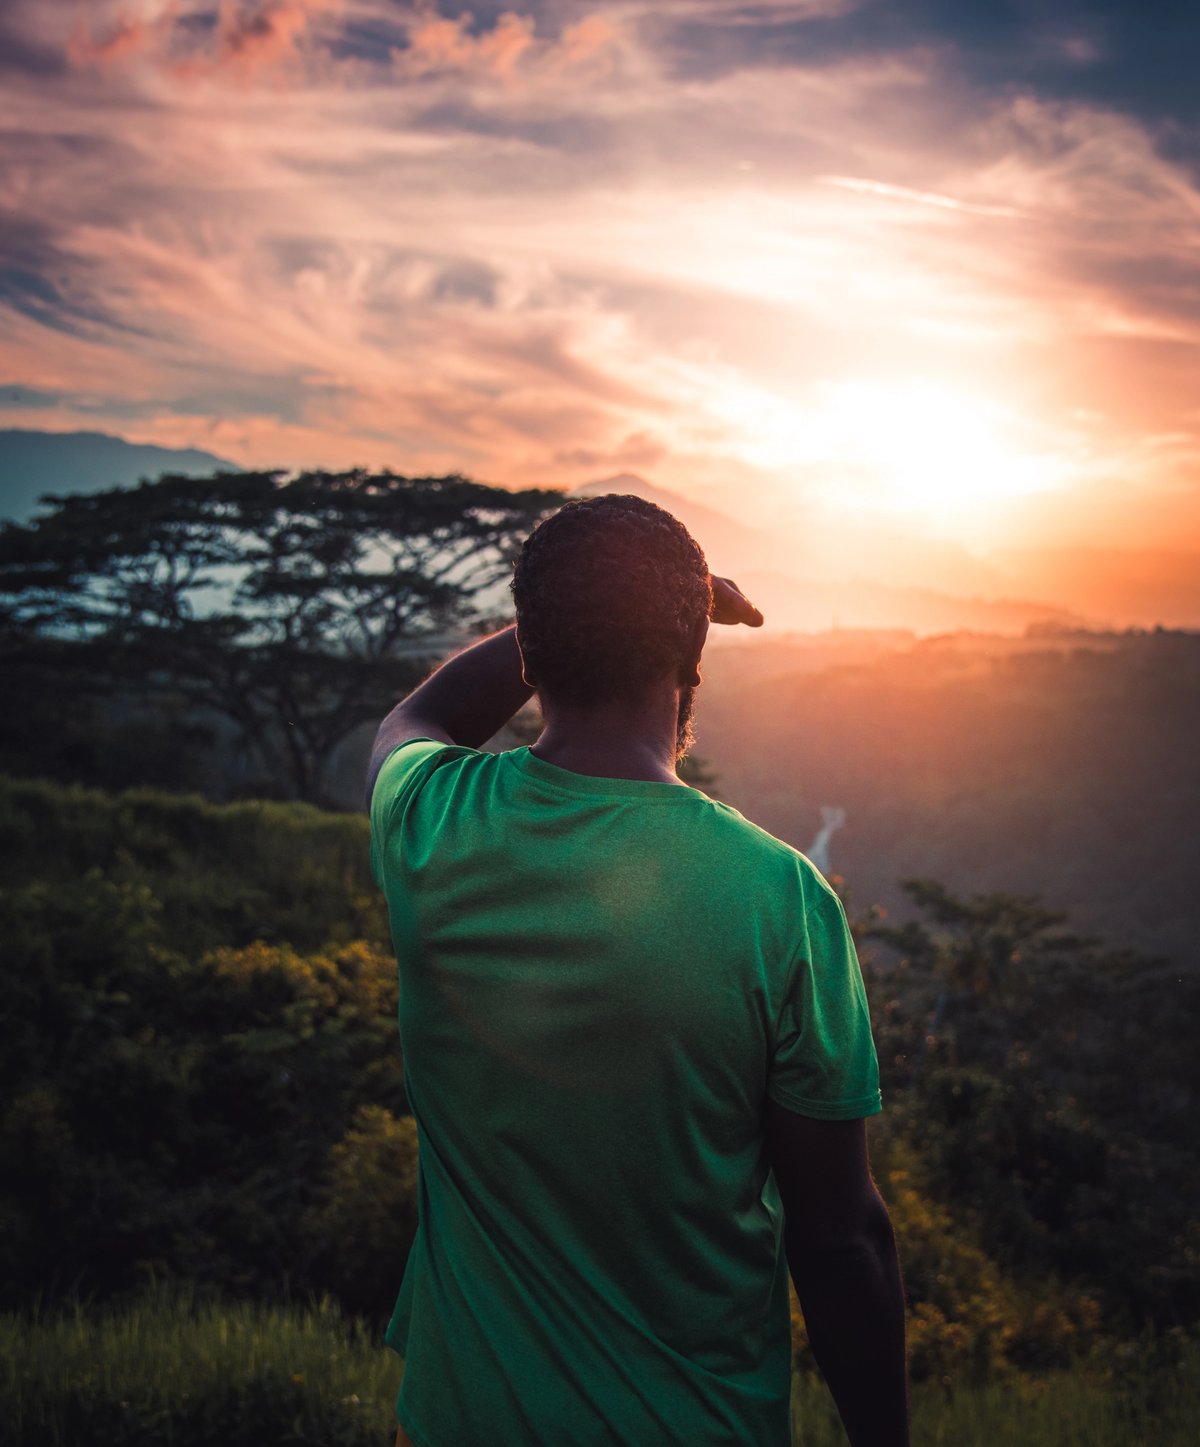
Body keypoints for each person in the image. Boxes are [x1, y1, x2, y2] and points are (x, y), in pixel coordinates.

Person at [367, 494, 909, 1447]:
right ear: (694, 659)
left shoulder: (429, 826)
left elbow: (421, 713)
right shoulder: (779, 898)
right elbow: (839, 1240)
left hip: (463, 1420)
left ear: (531, 659)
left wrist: (560, 626)